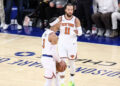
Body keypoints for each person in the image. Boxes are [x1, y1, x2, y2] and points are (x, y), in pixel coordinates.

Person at [50, 3, 82, 86]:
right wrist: (54, 26)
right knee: (62, 63)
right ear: (65, 10)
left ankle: (72, 80)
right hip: (62, 43)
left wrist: (77, 32)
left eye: (71, 10)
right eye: (68, 9)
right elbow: (51, 25)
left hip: (72, 44)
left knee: (71, 63)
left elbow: (80, 33)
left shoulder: (76, 20)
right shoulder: (60, 18)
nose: (70, 11)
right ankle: (62, 83)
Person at [41, 18, 63, 86]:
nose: (61, 23)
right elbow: (53, 52)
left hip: (46, 58)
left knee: (57, 77)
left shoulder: (45, 33)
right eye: (59, 22)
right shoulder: (53, 36)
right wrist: (59, 61)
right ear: (55, 24)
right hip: (49, 59)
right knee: (49, 82)